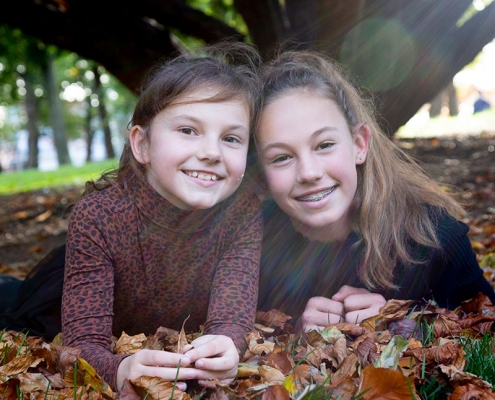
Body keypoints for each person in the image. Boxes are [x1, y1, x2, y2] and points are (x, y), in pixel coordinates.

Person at [0, 42, 263, 393]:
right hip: (62, 299)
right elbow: (83, 344)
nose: (211, 152)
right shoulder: (99, 217)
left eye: (231, 138)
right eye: (188, 130)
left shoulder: (242, 213)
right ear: (142, 145)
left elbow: (232, 317)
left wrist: (228, 346)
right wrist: (119, 367)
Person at [255, 50, 495, 332]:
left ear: (359, 144)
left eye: (324, 145)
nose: (309, 173)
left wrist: (406, 321)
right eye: (281, 157)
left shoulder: (434, 236)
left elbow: (486, 325)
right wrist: (291, 327)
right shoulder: (252, 237)